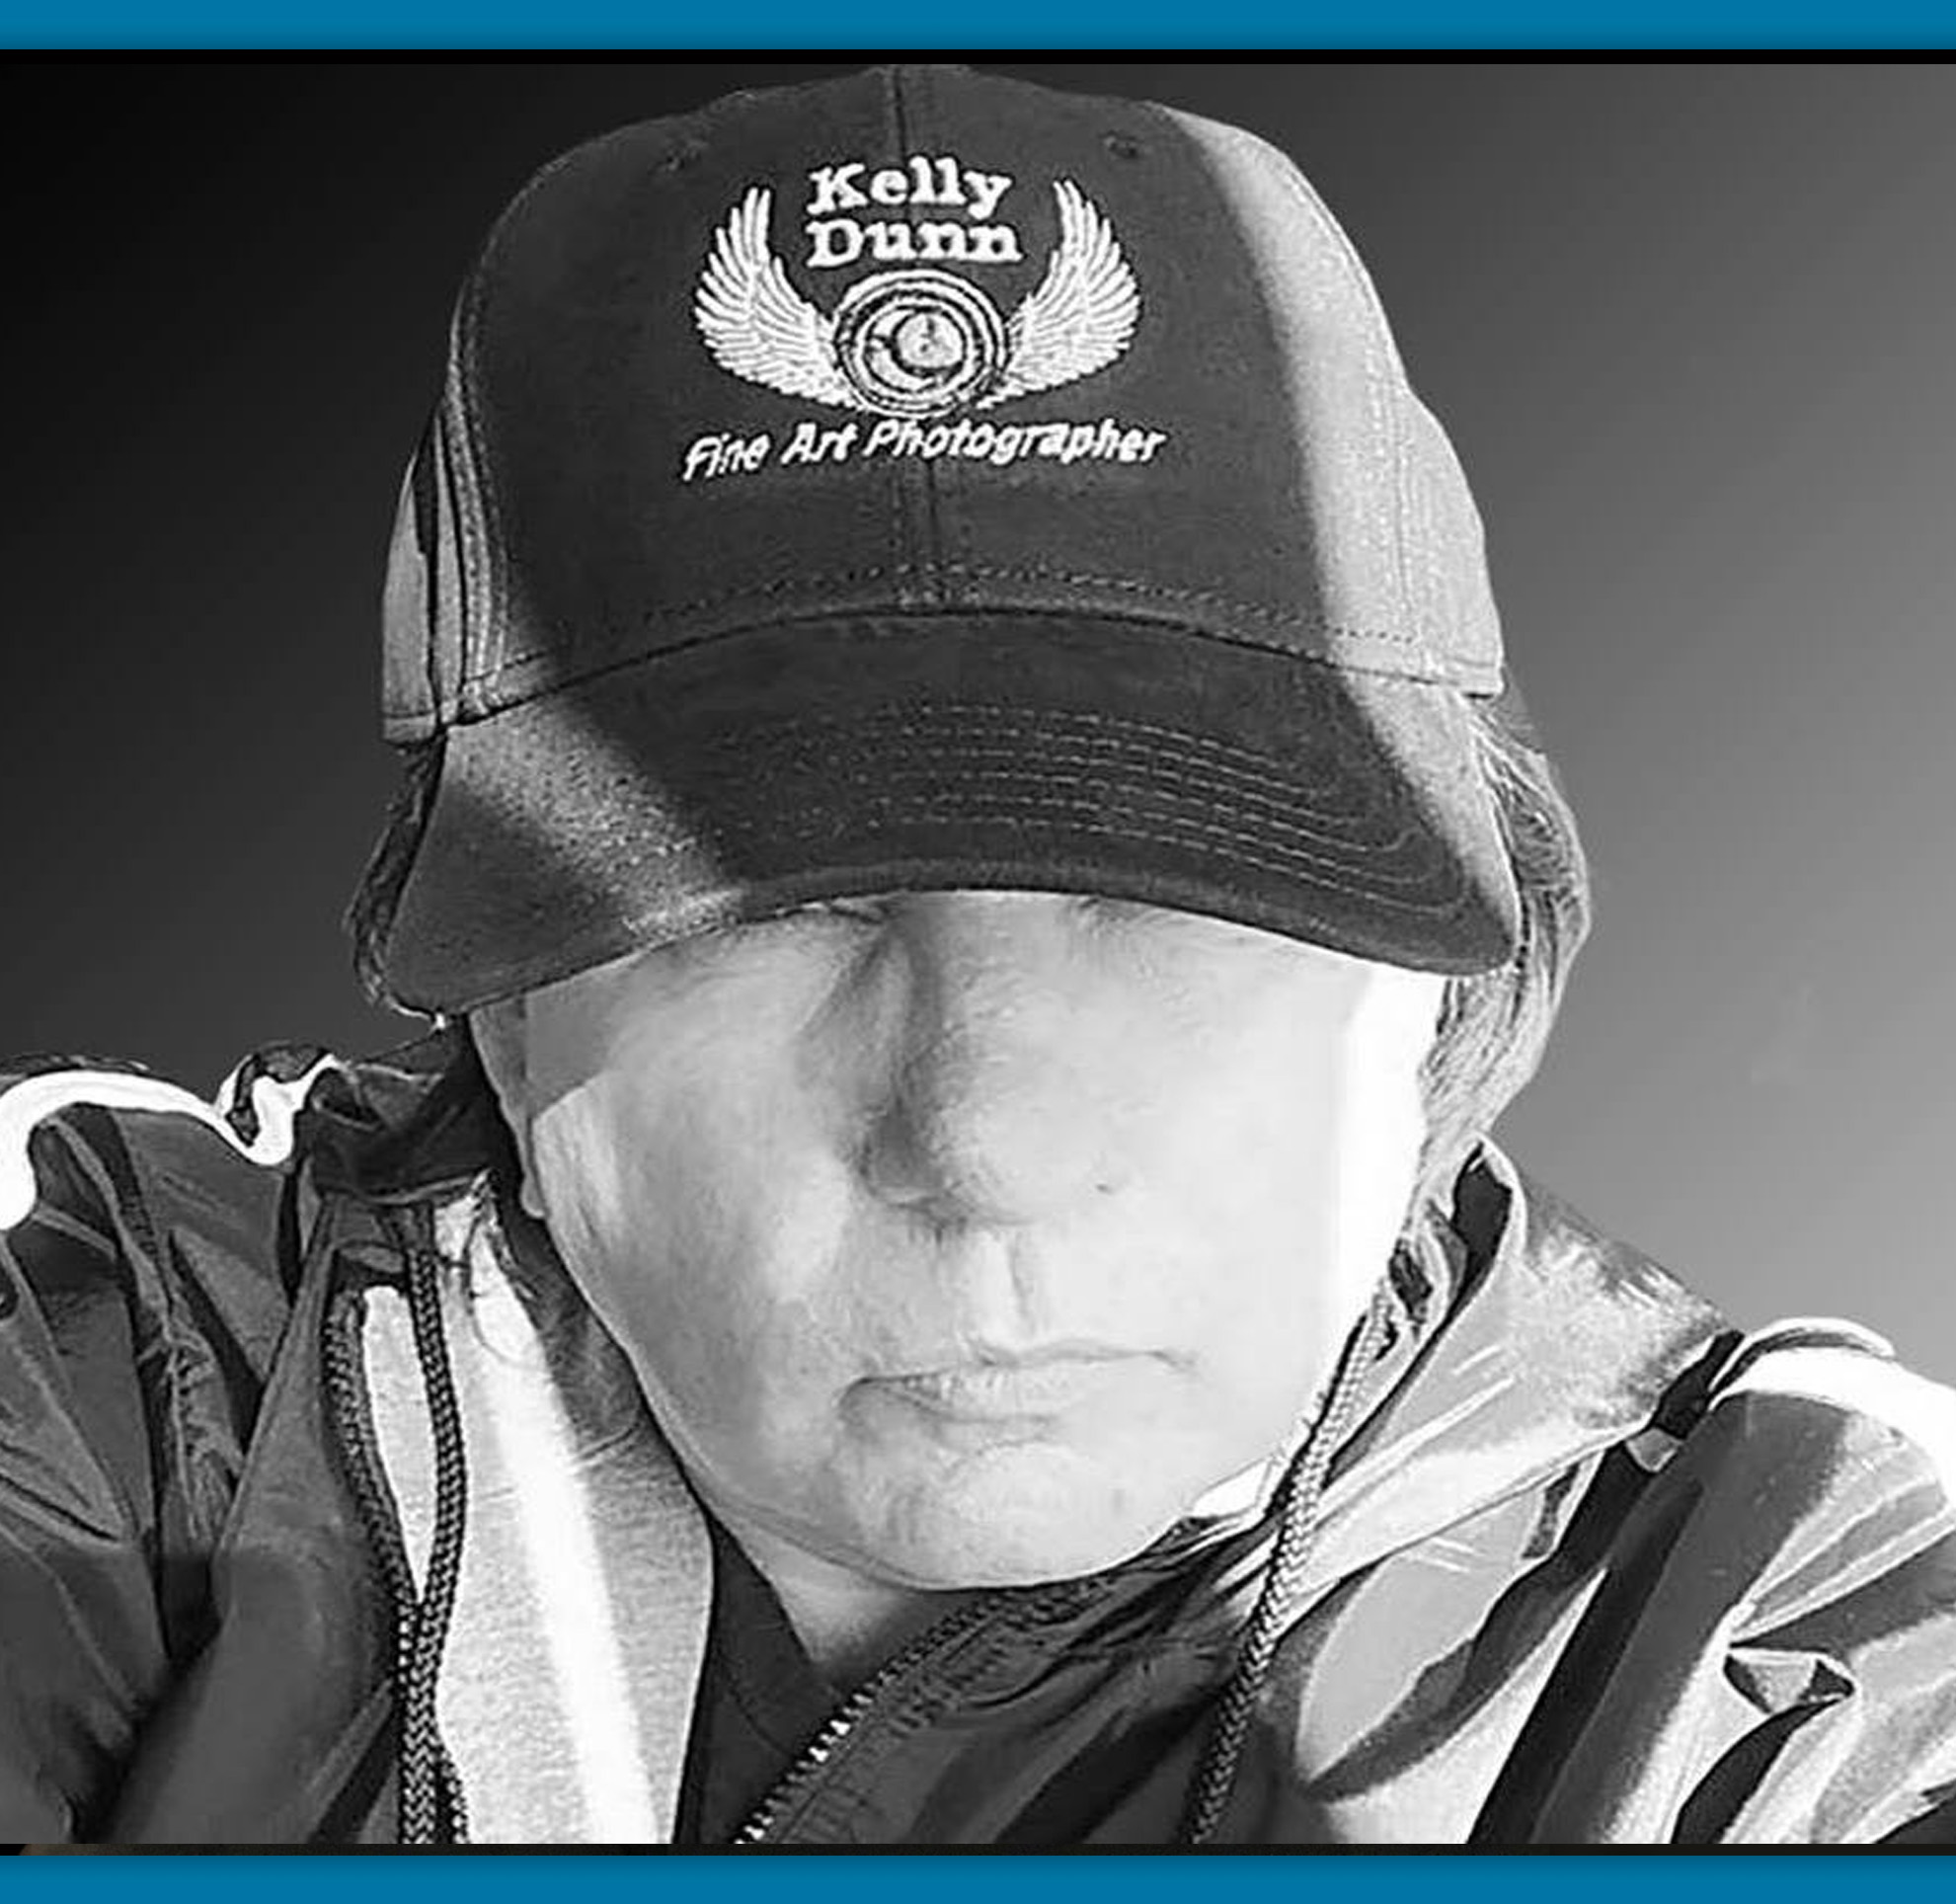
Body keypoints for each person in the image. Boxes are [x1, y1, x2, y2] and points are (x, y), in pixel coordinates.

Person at [1, 63, 1951, 1850]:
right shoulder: (129, 1337)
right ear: (507, 1021)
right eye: (768, 905)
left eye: (1190, 885)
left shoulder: (1799, 1628)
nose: (987, 1139)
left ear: (1439, 994)